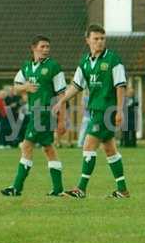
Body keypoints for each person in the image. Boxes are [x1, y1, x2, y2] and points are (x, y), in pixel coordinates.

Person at [53, 24, 130, 198]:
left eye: (102, 38)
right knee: (110, 149)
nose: (100, 42)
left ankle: (80, 189)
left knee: (88, 145)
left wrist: (119, 110)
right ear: (87, 40)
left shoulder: (113, 60)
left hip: (106, 110)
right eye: (96, 39)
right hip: (95, 110)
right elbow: (76, 85)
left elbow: (120, 86)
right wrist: (62, 100)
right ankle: (123, 190)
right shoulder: (85, 62)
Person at [0, 35, 67, 197]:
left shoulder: (53, 67)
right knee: (49, 149)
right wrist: (26, 87)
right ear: (33, 47)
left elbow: (62, 95)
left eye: (47, 47)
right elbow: (15, 87)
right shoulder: (27, 66)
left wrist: (62, 120)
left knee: (27, 145)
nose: (45, 50)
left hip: (44, 113)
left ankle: (17, 187)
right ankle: (58, 189)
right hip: (35, 113)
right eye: (42, 46)